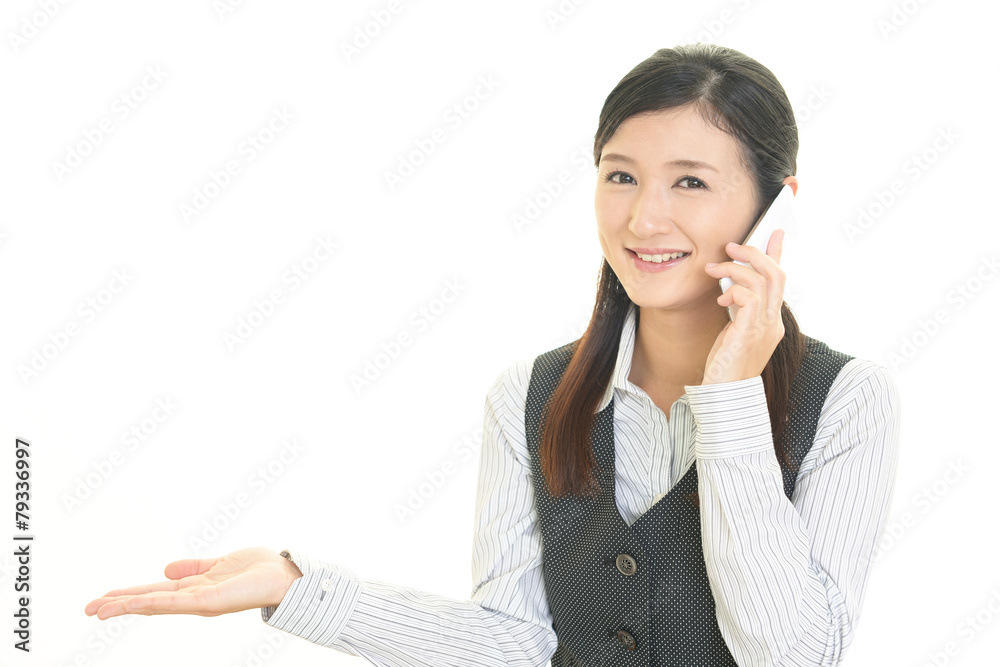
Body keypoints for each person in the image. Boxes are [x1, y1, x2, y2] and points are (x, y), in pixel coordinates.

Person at [84, 43, 900, 666]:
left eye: (690, 182)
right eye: (620, 176)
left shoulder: (847, 399)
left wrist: (729, 400)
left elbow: (790, 654)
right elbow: (513, 641)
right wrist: (298, 588)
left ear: (775, 205)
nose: (644, 218)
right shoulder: (533, 394)